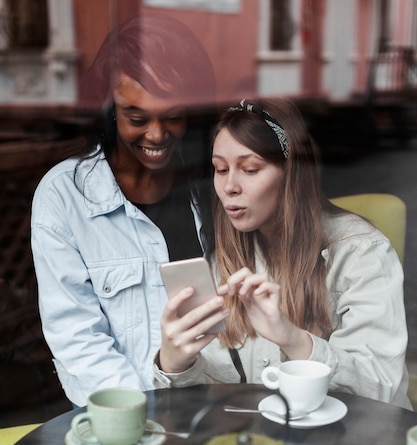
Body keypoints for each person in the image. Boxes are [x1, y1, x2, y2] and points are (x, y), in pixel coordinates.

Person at [154, 98, 411, 409]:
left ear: (292, 173)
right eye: (220, 169)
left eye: (250, 169)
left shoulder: (361, 252)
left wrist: (295, 340)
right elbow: (216, 400)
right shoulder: (224, 257)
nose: (229, 186)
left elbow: (382, 390)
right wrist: (175, 364)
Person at [31, 15, 216, 406]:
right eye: (137, 117)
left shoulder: (209, 182)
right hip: (123, 418)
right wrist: (141, 419)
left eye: (173, 115)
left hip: (214, 402)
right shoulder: (65, 198)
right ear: (109, 110)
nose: (156, 134)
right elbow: (77, 338)